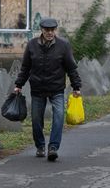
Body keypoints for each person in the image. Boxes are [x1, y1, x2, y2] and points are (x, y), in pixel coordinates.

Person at [14, 17, 81, 161]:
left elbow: (71, 67)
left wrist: (76, 86)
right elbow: (25, 67)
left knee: (58, 117)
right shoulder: (32, 45)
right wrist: (18, 85)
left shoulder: (63, 46)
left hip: (57, 88)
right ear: (42, 30)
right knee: (36, 120)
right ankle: (40, 146)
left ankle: (53, 147)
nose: (50, 33)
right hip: (37, 89)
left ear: (55, 30)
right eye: (47, 30)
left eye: (52, 30)